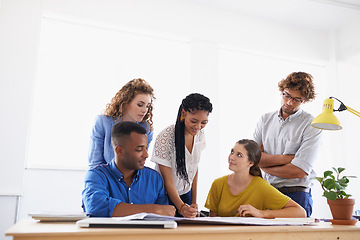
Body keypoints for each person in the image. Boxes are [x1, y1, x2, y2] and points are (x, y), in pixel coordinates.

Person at [253, 72, 322, 217]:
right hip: (268, 192)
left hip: (297, 195)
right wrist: (287, 159)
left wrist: (264, 164)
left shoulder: (312, 125)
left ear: (305, 100)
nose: (290, 102)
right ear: (281, 91)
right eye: (287, 95)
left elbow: (300, 171)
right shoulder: (265, 120)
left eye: (297, 99)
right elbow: (252, 158)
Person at [82, 121, 175, 217]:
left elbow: (165, 214)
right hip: (110, 232)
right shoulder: (97, 175)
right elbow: (96, 208)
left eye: (146, 148)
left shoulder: (154, 178)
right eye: (139, 149)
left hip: (146, 232)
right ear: (119, 150)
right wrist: (154, 209)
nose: (146, 155)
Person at [205, 139, 306, 218]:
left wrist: (261, 213)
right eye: (232, 152)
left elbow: (300, 212)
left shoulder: (260, 186)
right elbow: (212, 221)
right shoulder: (218, 184)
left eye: (239, 155)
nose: (232, 157)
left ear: (251, 163)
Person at [151, 93, 213, 218]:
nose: (198, 127)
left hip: (186, 193)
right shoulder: (166, 137)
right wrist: (181, 207)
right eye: (194, 121)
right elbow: (167, 181)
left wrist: (194, 202)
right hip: (165, 197)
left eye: (204, 122)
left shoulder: (200, 134)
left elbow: (194, 168)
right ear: (183, 113)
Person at [88, 78, 155, 169]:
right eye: (140, 105)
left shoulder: (146, 129)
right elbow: (94, 164)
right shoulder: (102, 122)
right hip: (104, 178)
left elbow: (139, 164)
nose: (145, 110)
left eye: (148, 106)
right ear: (126, 102)